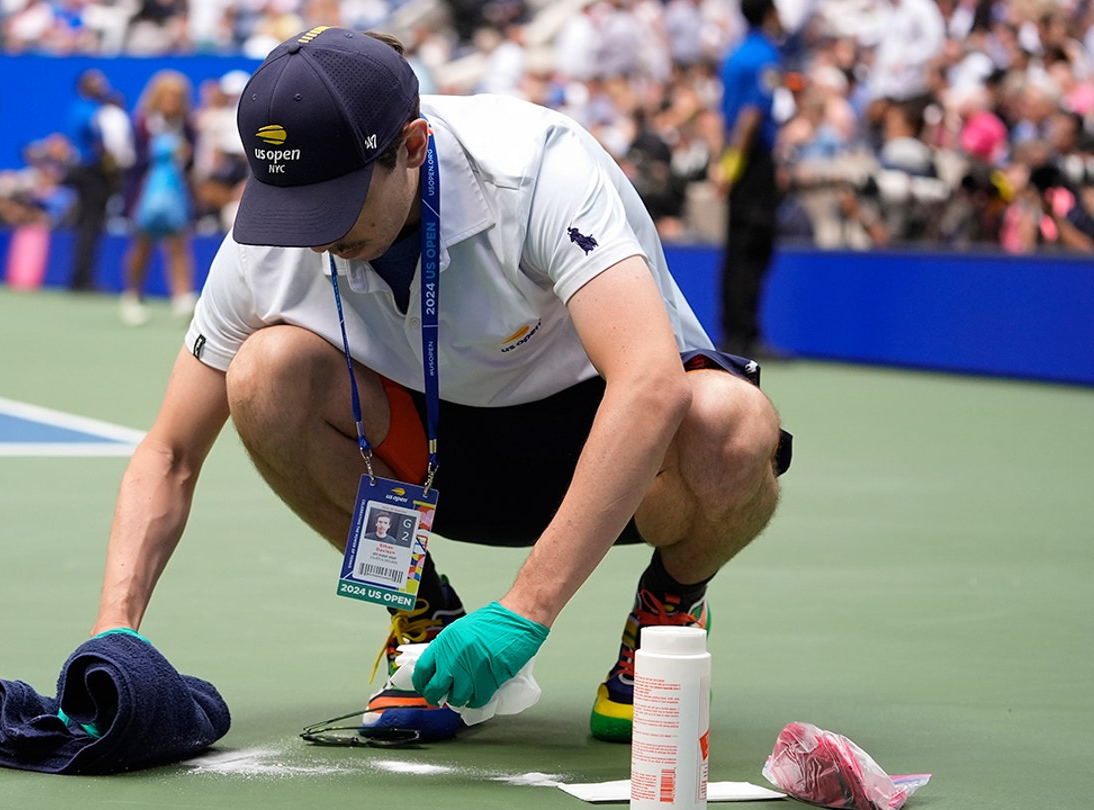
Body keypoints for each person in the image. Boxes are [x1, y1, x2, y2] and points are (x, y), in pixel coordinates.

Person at [89, 28, 792, 745]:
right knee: (264, 374)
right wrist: (114, 635)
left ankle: (669, 607)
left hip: (615, 455)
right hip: (425, 467)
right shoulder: (273, 236)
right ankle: (422, 612)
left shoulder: (538, 167)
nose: (315, 237)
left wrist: (527, 608)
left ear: (415, 147)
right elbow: (170, 454)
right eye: (297, 206)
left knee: (733, 422)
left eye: (336, 202)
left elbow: (648, 386)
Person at [715, 0, 785, 360]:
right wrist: (732, 165)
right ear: (770, 14)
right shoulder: (766, 57)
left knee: (736, 247)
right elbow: (752, 114)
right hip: (752, 163)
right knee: (754, 249)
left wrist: (724, 163)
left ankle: (733, 334)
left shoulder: (734, 54)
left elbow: (723, 112)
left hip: (737, 159)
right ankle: (745, 338)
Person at [119, 70, 199, 326]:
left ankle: (183, 296)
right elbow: (132, 161)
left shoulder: (187, 125)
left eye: (177, 96)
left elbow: (193, 163)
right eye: (167, 96)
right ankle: (132, 296)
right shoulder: (141, 123)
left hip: (177, 196)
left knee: (178, 244)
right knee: (142, 246)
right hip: (144, 195)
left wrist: (185, 157)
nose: (172, 101)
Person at [64, 68, 118, 292]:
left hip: (80, 169)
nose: (103, 86)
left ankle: (80, 275)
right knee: (91, 224)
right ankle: (83, 278)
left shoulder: (76, 109)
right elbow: (98, 143)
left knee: (85, 222)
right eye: (97, 82)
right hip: (91, 171)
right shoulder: (91, 112)